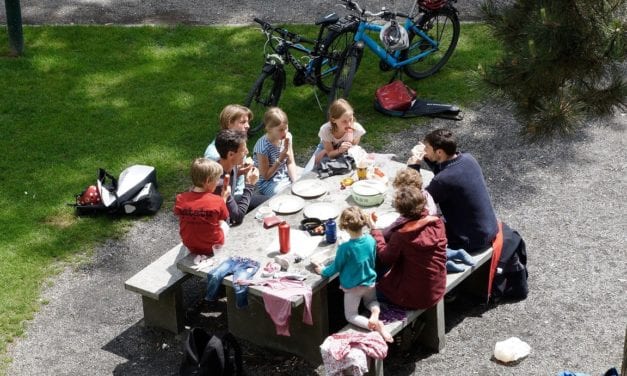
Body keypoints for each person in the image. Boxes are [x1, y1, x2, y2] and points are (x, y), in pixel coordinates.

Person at [408, 128, 498, 254]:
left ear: (439, 152)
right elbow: (444, 169)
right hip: (488, 229)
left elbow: (416, 201)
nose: (424, 150)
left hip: (471, 240)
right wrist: (427, 156)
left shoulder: (443, 181)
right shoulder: (468, 159)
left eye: (427, 148)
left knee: (413, 231)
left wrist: (414, 167)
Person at [312, 207, 393, 343]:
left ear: (344, 226)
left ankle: (373, 325)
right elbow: (372, 257)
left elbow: (336, 267)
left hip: (353, 287)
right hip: (370, 281)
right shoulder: (370, 240)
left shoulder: (345, 248)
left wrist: (322, 271)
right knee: (371, 302)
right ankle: (375, 313)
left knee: (351, 315)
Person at [371, 186, 447, 310]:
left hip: (414, 297)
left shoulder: (402, 235)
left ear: (401, 211)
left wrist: (375, 230)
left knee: (370, 291)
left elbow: (385, 257)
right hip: (437, 287)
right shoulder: (437, 222)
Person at [389, 167, 475, 273]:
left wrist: (380, 232)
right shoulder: (426, 195)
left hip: (423, 240)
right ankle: (456, 254)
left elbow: (397, 225)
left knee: (411, 251)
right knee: (436, 251)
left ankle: (446, 265)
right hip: (435, 236)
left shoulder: (413, 209)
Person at [174, 158, 229, 255]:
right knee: (224, 224)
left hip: (189, 245)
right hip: (213, 247)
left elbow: (180, 215)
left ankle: (191, 250)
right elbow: (223, 217)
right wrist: (224, 198)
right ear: (208, 181)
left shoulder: (181, 199)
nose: (218, 183)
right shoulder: (217, 200)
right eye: (216, 180)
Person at [214, 129, 266, 225]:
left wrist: (241, 172)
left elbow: (230, 174)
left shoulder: (226, 163)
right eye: (243, 150)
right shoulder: (220, 184)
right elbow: (238, 217)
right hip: (221, 220)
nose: (247, 152)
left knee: (266, 202)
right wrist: (250, 185)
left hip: (231, 199)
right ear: (230, 154)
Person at [204, 104, 255, 197]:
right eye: (243, 122)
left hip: (239, 192)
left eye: (247, 122)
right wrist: (249, 185)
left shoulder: (239, 142)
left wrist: (241, 171)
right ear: (229, 123)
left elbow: (228, 175)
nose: (248, 126)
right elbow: (214, 188)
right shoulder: (215, 155)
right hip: (228, 199)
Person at [252, 107, 298, 196]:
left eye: (286, 128)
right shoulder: (262, 147)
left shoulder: (287, 137)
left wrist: (295, 181)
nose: (285, 132)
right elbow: (265, 176)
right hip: (268, 183)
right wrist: (280, 159)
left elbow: (290, 163)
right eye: (280, 130)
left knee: (302, 189)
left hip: (284, 175)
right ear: (269, 129)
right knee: (284, 197)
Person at [313, 98, 366, 165]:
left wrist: (350, 144)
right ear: (333, 120)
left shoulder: (357, 129)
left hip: (343, 150)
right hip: (326, 147)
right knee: (317, 164)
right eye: (344, 121)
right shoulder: (326, 130)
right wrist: (337, 150)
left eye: (351, 119)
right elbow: (330, 154)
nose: (349, 124)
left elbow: (353, 148)